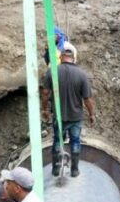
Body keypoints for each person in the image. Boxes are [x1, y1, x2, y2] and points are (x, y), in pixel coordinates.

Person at [40, 42, 95, 178]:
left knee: (58, 141)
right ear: (73, 57)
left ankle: (56, 169)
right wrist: (92, 114)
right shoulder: (82, 75)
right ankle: (74, 170)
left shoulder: (52, 72)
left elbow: (45, 93)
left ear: (61, 57)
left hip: (59, 116)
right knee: (75, 141)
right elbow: (87, 99)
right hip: (76, 117)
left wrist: (45, 110)